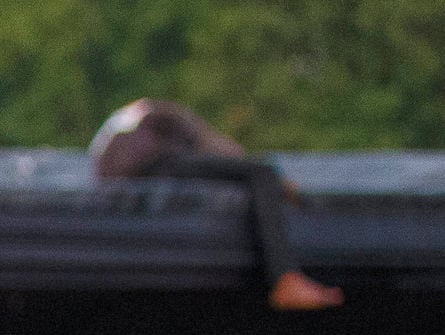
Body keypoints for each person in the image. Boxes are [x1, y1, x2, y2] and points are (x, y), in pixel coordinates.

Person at [90, 100, 345, 312]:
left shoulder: (126, 127)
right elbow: (219, 149)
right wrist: (281, 185)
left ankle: (287, 281)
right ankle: (284, 278)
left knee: (259, 173)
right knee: (262, 173)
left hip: (134, 169)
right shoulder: (165, 119)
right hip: (151, 163)